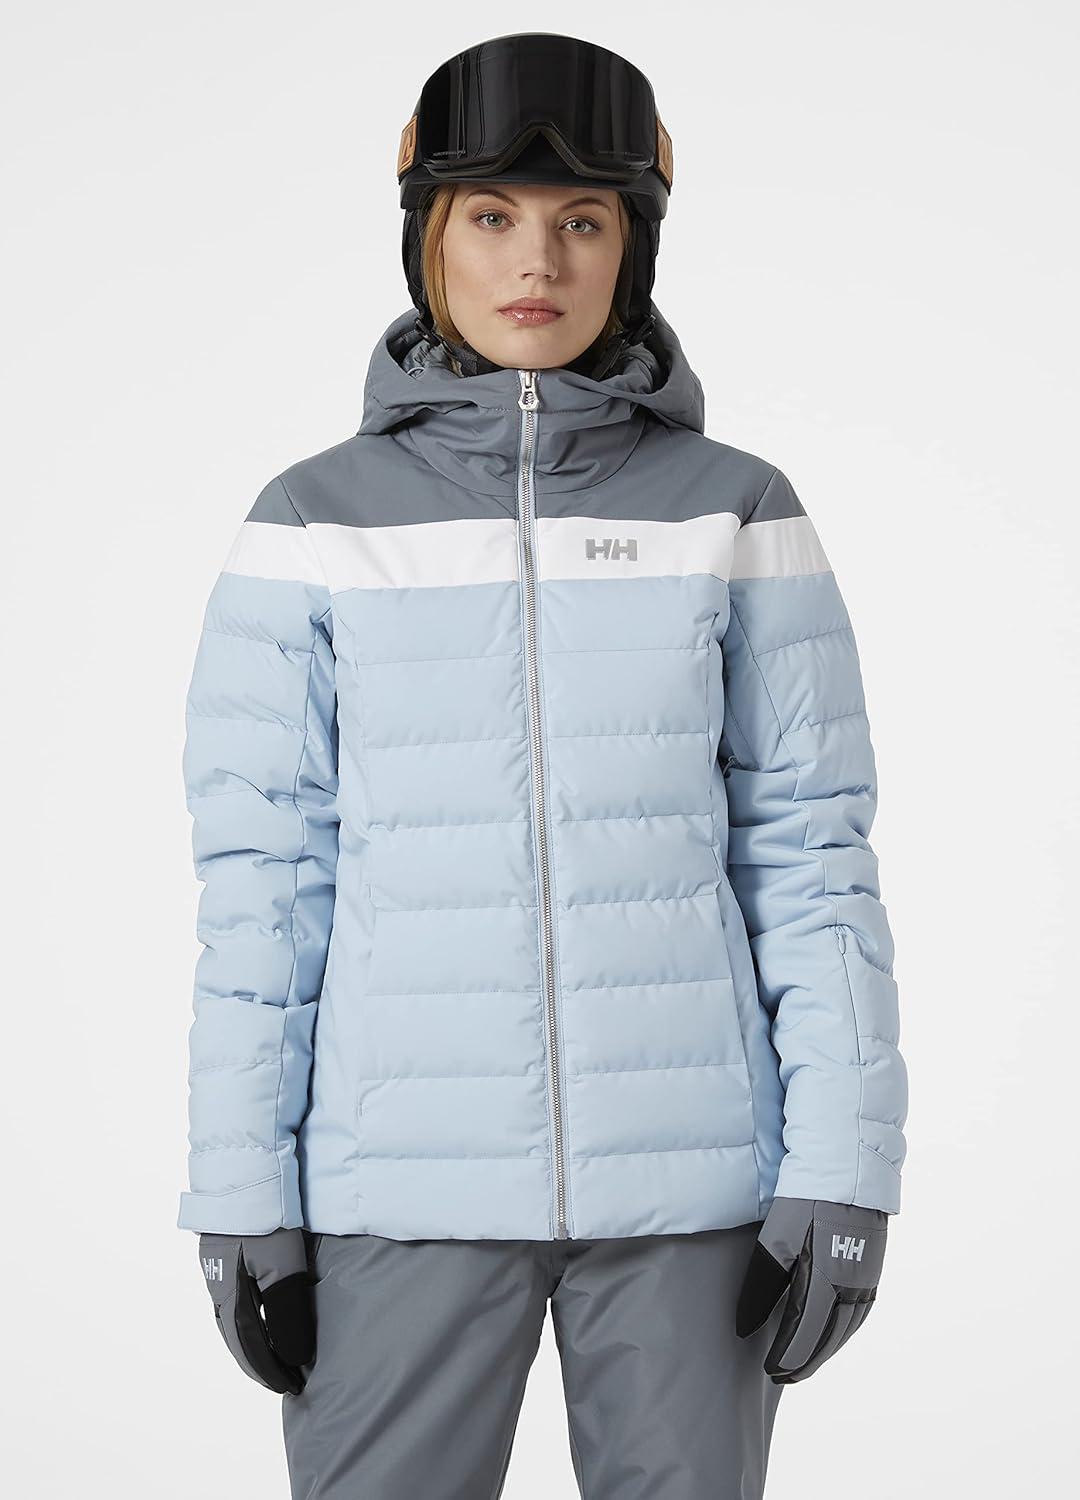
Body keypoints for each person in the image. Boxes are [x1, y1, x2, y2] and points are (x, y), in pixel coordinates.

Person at [178, 31, 909, 1500]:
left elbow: (811, 851)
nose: (538, 260)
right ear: (428, 240)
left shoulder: (737, 510)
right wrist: (241, 1189)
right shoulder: (313, 523)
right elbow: (264, 884)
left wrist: (844, 1170)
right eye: (492, 217)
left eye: (583, 221)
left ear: (632, 249)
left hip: (695, 1201)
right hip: (397, 1194)